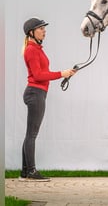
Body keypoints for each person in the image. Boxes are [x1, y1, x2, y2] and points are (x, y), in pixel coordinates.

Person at [20, 17, 76, 181]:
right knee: (32, 135)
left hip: (37, 93)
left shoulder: (37, 48)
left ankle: (25, 172)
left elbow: (42, 73)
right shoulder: (31, 50)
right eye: (41, 28)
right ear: (32, 32)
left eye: (44, 28)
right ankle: (31, 171)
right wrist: (61, 74)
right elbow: (38, 75)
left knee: (30, 134)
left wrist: (67, 73)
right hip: (35, 93)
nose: (44, 30)